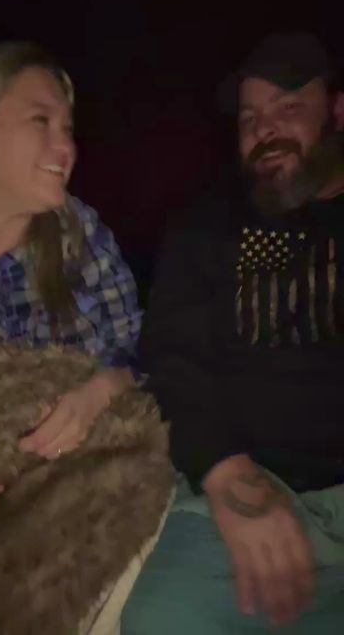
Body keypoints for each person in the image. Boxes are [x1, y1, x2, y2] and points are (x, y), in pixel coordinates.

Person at [122, 33, 344, 634]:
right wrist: (228, 477)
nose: (265, 129)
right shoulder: (206, 225)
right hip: (244, 486)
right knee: (159, 620)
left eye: (288, 108)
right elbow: (174, 357)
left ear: (336, 111)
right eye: (250, 119)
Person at [0, 42, 141, 521]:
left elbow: (140, 351)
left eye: (67, 129)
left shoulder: (80, 233)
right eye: (40, 121)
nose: (66, 148)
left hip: (79, 510)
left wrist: (102, 391)